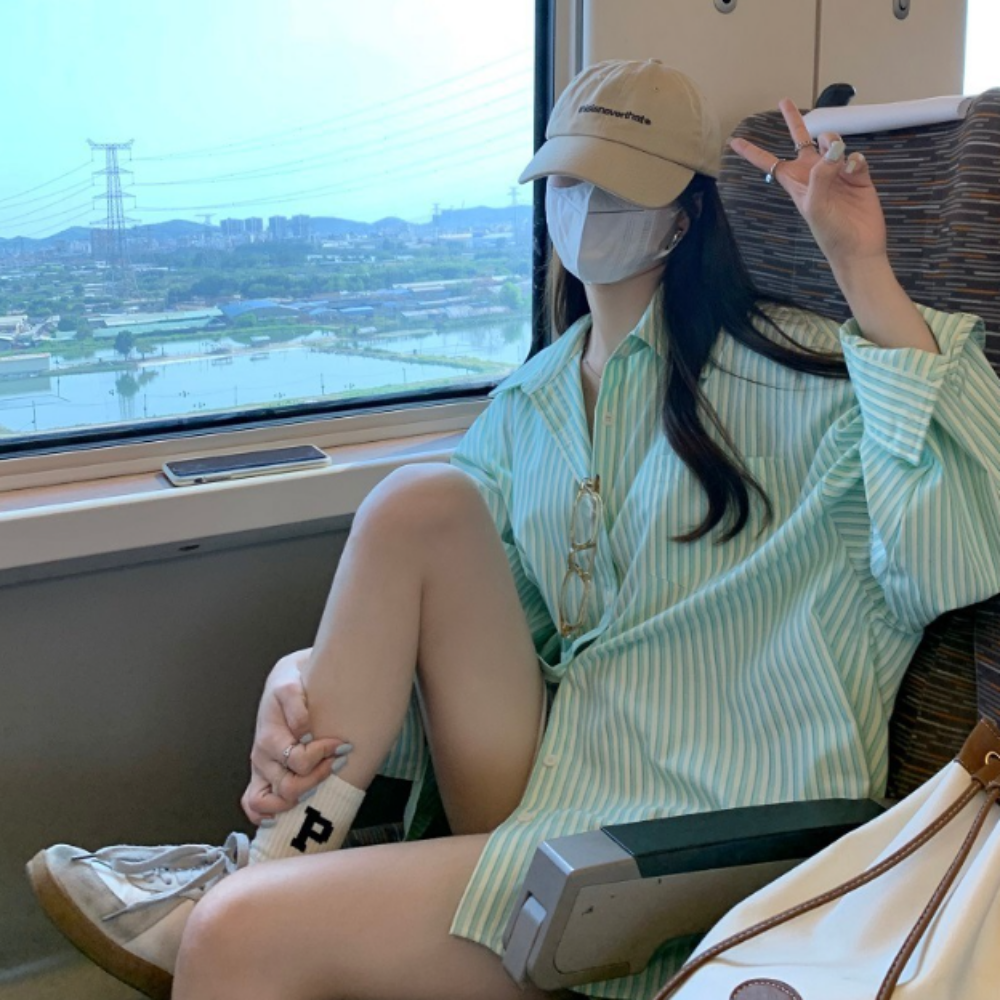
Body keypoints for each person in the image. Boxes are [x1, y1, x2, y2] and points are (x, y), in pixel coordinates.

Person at [26, 59, 1000, 1000]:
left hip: (696, 841)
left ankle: (250, 887)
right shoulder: (528, 403)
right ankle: (276, 853)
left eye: (620, 186)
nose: (588, 206)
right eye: (568, 182)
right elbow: (464, 620)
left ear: (686, 212)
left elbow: (958, 550)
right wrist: (304, 672)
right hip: (552, 782)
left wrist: (858, 263)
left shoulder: (822, 379)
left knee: (233, 932)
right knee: (417, 503)